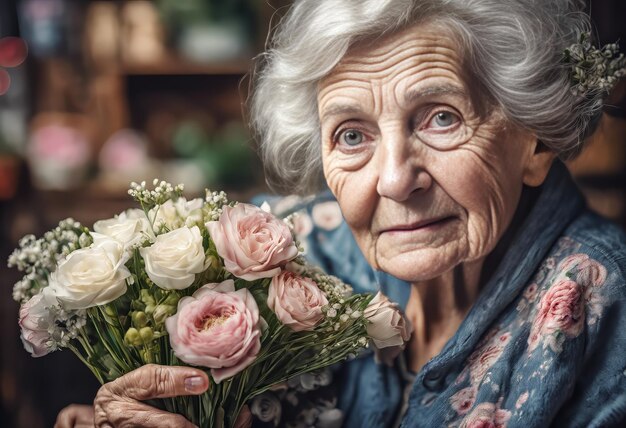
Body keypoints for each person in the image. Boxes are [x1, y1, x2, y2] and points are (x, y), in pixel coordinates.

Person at [56, 0, 626, 426]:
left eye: (442, 118)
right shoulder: (291, 255)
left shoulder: (606, 308)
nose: (395, 179)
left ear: (536, 141)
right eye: (352, 135)